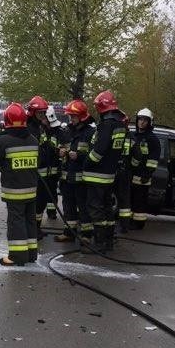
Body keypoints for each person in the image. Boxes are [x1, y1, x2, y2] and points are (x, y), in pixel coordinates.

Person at [0, 102, 39, 266]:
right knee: (30, 220)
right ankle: (31, 254)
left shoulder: (4, 141)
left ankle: (17, 256)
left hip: (14, 191)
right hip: (31, 190)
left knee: (16, 222)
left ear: (7, 121)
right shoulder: (33, 140)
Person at [83, 90, 128, 251]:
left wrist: (86, 163)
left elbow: (99, 151)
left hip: (96, 175)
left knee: (95, 209)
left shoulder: (106, 125)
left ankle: (99, 243)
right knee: (108, 208)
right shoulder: (120, 125)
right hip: (109, 175)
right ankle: (108, 241)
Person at [55, 99, 96, 243]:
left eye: (73, 116)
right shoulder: (68, 132)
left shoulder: (90, 133)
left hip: (82, 179)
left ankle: (87, 235)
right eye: (70, 116)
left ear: (82, 116)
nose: (70, 119)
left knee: (83, 207)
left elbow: (94, 155)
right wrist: (60, 151)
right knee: (68, 206)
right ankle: (69, 232)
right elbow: (61, 146)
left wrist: (79, 156)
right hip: (67, 177)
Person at [25, 96, 62, 239]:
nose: (42, 115)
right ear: (33, 112)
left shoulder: (39, 126)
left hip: (43, 171)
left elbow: (44, 145)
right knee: (36, 202)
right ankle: (33, 229)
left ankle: (36, 228)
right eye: (39, 113)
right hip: (36, 171)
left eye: (43, 112)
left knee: (40, 202)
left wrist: (53, 149)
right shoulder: (30, 127)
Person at [129, 107, 161, 229]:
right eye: (140, 119)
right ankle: (130, 221)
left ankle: (138, 223)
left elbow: (153, 160)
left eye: (145, 120)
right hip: (131, 174)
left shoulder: (152, 139)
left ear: (149, 122)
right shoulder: (133, 136)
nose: (141, 122)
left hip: (143, 177)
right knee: (130, 199)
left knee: (140, 201)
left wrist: (147, 174)